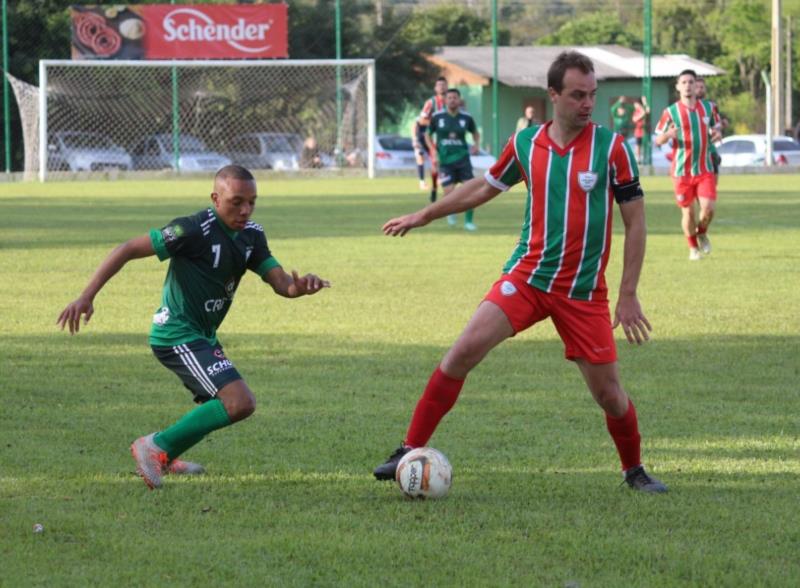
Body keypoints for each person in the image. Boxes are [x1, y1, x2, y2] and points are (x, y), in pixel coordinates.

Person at [373, 51, 667, 493]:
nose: (587, 104)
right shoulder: (528, 143)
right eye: (577, 95)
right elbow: (482, 186)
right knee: (461, 352)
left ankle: (634, 470)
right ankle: (408, 446)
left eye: (592, 95)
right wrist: (426, 214)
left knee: (609, 395)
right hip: (527, 277)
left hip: (583, 292)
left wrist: (628, 295)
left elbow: (636, 222)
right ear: (553, 95)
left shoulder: (613, 149)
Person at [56, 165, 330, 490]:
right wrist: (86, 296)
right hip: (175, 334)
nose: (245, 210)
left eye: (252, 202)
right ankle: (153, 447)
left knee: (224, 402)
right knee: (239, 401)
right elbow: (129, 248)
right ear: (215, 198)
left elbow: (282, 284)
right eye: (236, 201)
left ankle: (167, 458)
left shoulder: (252, 235)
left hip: (202, 337)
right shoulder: (192, 229)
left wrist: (301, 287)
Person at [655, 69, 721, 261]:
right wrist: (668, 135)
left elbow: (716, 128)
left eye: (691, 82)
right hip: (681, 171)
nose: (687, 85)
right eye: (683, 82)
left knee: (708, 208)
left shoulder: (709, 108)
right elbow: (658, 139)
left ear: (696, 85)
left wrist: (716, 134)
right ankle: (693, 248)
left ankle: (702, 232)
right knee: (688, 212)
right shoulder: (670, 112)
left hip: (704, 169)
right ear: (677, 87)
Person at [425, 88, 480, 231]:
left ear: (459, 100)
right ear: (445, 100)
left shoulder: (466, 117)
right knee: (449, 192)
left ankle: (469, 222)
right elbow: (427, 135)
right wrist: (433, 151)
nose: (452, 100)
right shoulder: (437, 117)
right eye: (449, 98)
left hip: (463, 159)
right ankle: (452, 212)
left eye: (455, 97)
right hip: (445, 160)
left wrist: (476, 145)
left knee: (470, 191)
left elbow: (475, 133)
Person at [413, 77, 448, 201]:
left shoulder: (452, 101)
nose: (441, 87)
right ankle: (434, 188)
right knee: (435, 161)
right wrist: (434, 122)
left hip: (448, 139)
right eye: (439, 85)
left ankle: (446, 186)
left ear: (447, 86)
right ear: (435, 88)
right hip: (433, 138)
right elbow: (421, 120)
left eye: (443, 85)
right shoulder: (431, 103)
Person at [694, 77, 722, 183]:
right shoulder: (683, 107)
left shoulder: (711, 106)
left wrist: (717, 132)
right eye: (697, 87)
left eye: (702, 87)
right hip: (691, 148)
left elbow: (717, 125)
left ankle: (710, 193)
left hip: (708, 147)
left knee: (715, 159)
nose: (700, 89)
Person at [631, 97, 650, 163]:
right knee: (638, 145)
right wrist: (641, 114)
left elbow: (647, 111)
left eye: (636, 104)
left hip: (645, 131)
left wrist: (644, 102)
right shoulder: (636, 112)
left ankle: (645, 158)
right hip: (638, 131)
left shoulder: (642, 109)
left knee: (645, 145)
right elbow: (634, 119)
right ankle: (638, 159)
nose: (635, 106)